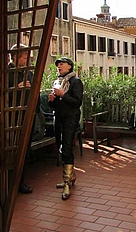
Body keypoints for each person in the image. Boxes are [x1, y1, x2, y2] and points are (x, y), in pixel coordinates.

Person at [48, 57, 83, 200]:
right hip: (59, 118)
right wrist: (52, 100)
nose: (59, 66)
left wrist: (63, 95)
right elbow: (55, 105)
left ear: (69, 66)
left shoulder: (75, 82)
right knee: (61, 147)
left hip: (70, 118)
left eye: (61, 64)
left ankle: (67, 181)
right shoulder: (57, 82)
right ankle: (70, 176)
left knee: (67, 147)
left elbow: (77, 102)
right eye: (58, 65)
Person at [8, 44, 34, 194]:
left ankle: (20, 182)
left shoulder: (28, 73)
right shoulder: (7, 73)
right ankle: (10, 183)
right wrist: (17, 88)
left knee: (25, 150)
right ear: (16, 57)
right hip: (12, 118)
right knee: (12, 150)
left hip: (27, 116)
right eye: (24, 57)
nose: (26, 59)